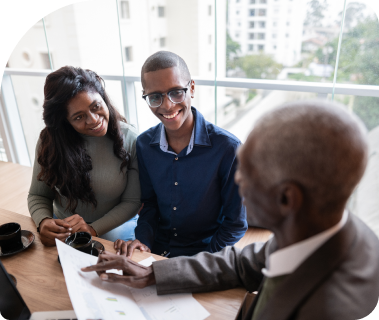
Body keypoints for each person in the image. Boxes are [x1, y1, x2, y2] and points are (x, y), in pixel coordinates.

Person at [83, 100, 379, 320]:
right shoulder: (314, 228)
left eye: (248, 172)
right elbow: (240, 264)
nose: (237, 178)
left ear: (288, 199)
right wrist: (153, 274)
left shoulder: (335, 310)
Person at [114, 51, 247, 258]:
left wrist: (203, 263)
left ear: (191, 88)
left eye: (176, 92)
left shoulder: (228, 148)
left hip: (206, 255)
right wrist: (144, 242)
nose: (167, 105)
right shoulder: (144, 144)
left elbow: (236, 224)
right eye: (155, 97)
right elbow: (149, 205)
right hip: (156, 251)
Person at [28, 66, 141, 246]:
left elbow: (132, 201)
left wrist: (92, 229)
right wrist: (43, 221)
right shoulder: (49, 141)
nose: (93, 120)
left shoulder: (131, 139)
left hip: (115, 227)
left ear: (103, 98)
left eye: (96, 106)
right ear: (65, 121)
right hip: (65, 229)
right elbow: (38, 195)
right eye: (79, 117)